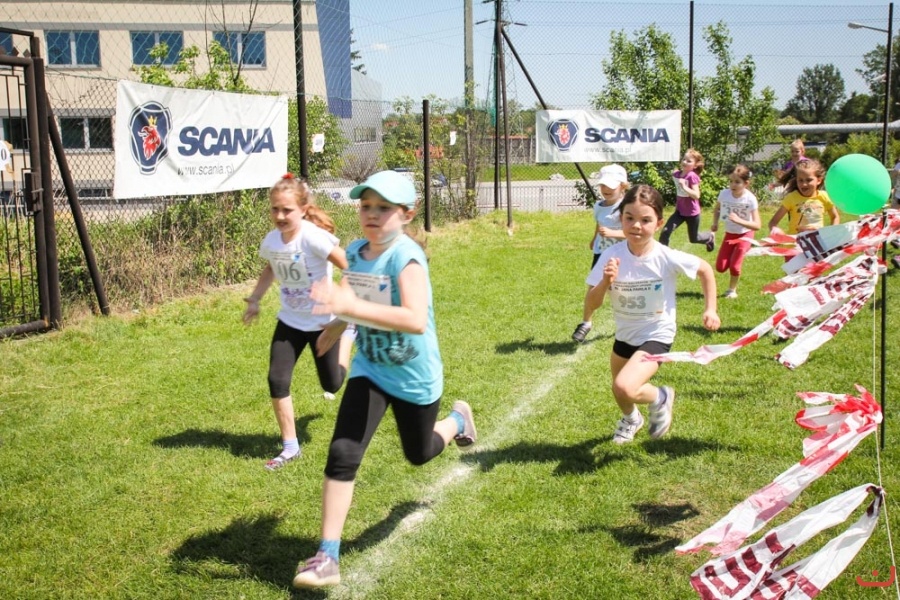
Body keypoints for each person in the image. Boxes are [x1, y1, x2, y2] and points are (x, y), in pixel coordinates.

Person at [292, 170, 477, 589]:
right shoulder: (356, 252)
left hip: (414, 376)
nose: (372, 214)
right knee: (343, 452)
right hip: (371, 369)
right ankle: (327, 556)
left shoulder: (406, 258)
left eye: (384, 208)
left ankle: (457, 421)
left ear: (407, 213)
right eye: (366, 206)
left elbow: (413, 319)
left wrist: (347, 308)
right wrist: (337, 324)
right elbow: (354, 298)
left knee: (419, 453)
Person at [583, 184, 720, 445]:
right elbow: (591, 303)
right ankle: (632, 419)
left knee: (625, 386)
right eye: (629, 218)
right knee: (620, 389)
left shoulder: (665, 256)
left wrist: (710, 308)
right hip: (626, 333)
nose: (636, 226)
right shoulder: (610, 256)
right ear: (620, 219)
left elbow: (704, 269)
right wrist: (605, 281)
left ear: (659, 224)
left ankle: (661, 397)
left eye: (645, 220)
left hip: (657, 333)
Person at [243, 174, 354, 471]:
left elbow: (351, 267)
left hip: (322, 324)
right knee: (276, 379)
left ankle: (349, 333)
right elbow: (271, 267)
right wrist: (255, 299)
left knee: (332, 383)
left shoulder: (313, 238)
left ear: (303, 210)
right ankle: (290, 447)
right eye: (275, 209)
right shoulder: (272, 240)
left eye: (287, 210)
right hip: (290, 322)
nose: (280, 216)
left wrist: (342, 303)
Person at [572, 164, 630, 343]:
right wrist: (594, 239)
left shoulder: (627, 207)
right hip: (601, 254)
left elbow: (633, 233)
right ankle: (586, 323)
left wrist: (613, 233)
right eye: (603, 185)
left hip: (622, 255)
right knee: (593, 287)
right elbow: (599, 223)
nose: (606, 189)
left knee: (623, 291)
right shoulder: (598, 206)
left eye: (611, 185)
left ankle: (631, 322)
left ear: (623, 186)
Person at [710, 165, 761, 299]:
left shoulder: (750, 199)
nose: (733, 184)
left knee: (735, 266)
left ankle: (732, 290)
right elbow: (717, 209)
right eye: (731, 181)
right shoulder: (724, 194)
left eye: (737, 182)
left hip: (745, 234)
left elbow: (757, 225)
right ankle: (736, 253)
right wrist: (715, 223)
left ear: (746, 183)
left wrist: (739, 221)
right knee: (720, 267)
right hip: (730, 233)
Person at [659, 148, 715, 252]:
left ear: (695, 165)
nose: (685, 162)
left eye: (689, 161)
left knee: (694, 239)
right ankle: (663, 254)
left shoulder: (692, 176)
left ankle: (709, 237)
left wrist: (684, 187)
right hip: (679, 212)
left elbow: (697, 195)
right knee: (665, 231)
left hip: (692, 213)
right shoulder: (677, 174)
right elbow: (675, 175)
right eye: (684, 159)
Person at [768, 158, 839, 237]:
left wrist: (833, 232)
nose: (804, 184)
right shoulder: (791, 198)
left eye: (809, 180)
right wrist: (776, 231)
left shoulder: (824, 197)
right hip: (796, 243)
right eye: (800, 180)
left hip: (818, 242)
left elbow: (835, 217)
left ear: (819, 180)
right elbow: (773, 222)